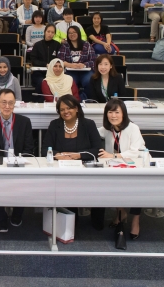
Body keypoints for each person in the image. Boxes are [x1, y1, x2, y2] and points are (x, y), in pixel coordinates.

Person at [43, 94, 104, 228]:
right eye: (62, 109)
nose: (66, 112)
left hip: (85, 168)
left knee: (97, 185)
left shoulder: (88, 124)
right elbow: (45, 149)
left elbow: (97, 150)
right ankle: (70, 221)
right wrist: (57, 155)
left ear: (76, 108)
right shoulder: (55, 125)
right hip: (62, 170)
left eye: (69, 108)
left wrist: (79, 156)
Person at [0, 89, 34, 233]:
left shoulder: (24, 122)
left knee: (22, 181)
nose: (7, 106)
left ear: (15, 104)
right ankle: (1, 217)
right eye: (4, 102)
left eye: (11, 103)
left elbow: (29, 149)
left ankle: (17, 215)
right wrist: (3, 162)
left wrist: (18, 161)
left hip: (19, 163)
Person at [98, 98, 145, 239]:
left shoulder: (133, 128)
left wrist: (113, 155)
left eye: (117, 112)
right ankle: (121, 212)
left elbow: (135, 151)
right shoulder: (107, 129)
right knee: (112, 182)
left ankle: (135, 220)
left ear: (123, 113)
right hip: (115, 167)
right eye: (110, 112)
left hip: (134, 166)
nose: (113, 116)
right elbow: (91, 132)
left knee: (136, 188)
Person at [58, 25, 96, 98]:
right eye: (70, 33)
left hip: (85, 71)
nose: (72, 34)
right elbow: (60, 60)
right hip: (70, 71)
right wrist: (70, 65)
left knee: (89, 81)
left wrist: (83, 65)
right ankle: (73, 100)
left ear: (78, 33)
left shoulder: (86, 45)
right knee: (70, 82)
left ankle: (88, 99)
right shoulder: (65, 46)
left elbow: (93, 60)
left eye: (74, 32)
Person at [31, 24, 60, 94]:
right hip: (39, 73)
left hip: (54, 72)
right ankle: (39, 100)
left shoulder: (57, 45)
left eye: (52, 32)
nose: (50, 34)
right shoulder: (37, 45)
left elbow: (60, 59)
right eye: (48, 31)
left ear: (54, 34)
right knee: (42, 82)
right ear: (44, 32)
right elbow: (33, 60)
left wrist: (54, 65)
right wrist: (45, 64)